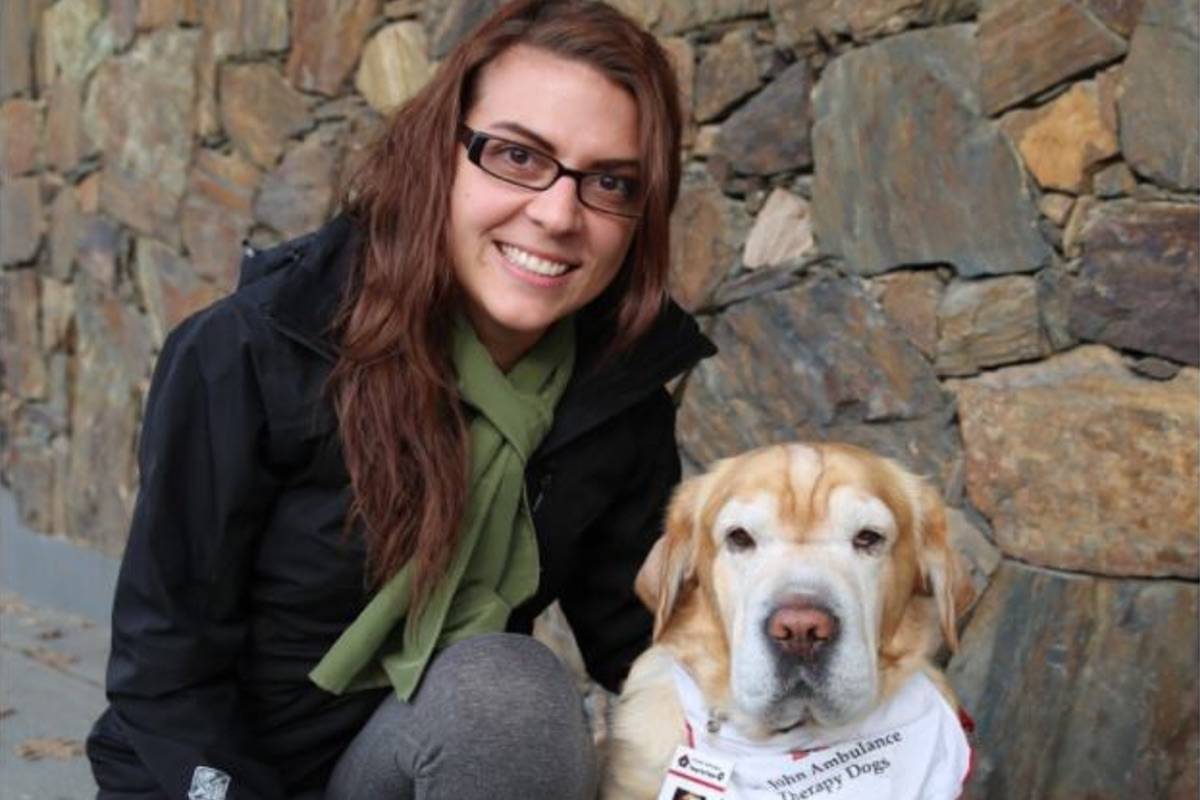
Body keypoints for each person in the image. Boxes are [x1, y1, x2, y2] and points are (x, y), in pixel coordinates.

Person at [85, 1, 715, 798]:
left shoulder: (610, 402)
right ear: (439, 153)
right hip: (212, 776)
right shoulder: (252, 352)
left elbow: (653, 650)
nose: (558, 214)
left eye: (610, 181)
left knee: (505, 690)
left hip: (408, 765)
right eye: (518, 155)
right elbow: (164, 672)